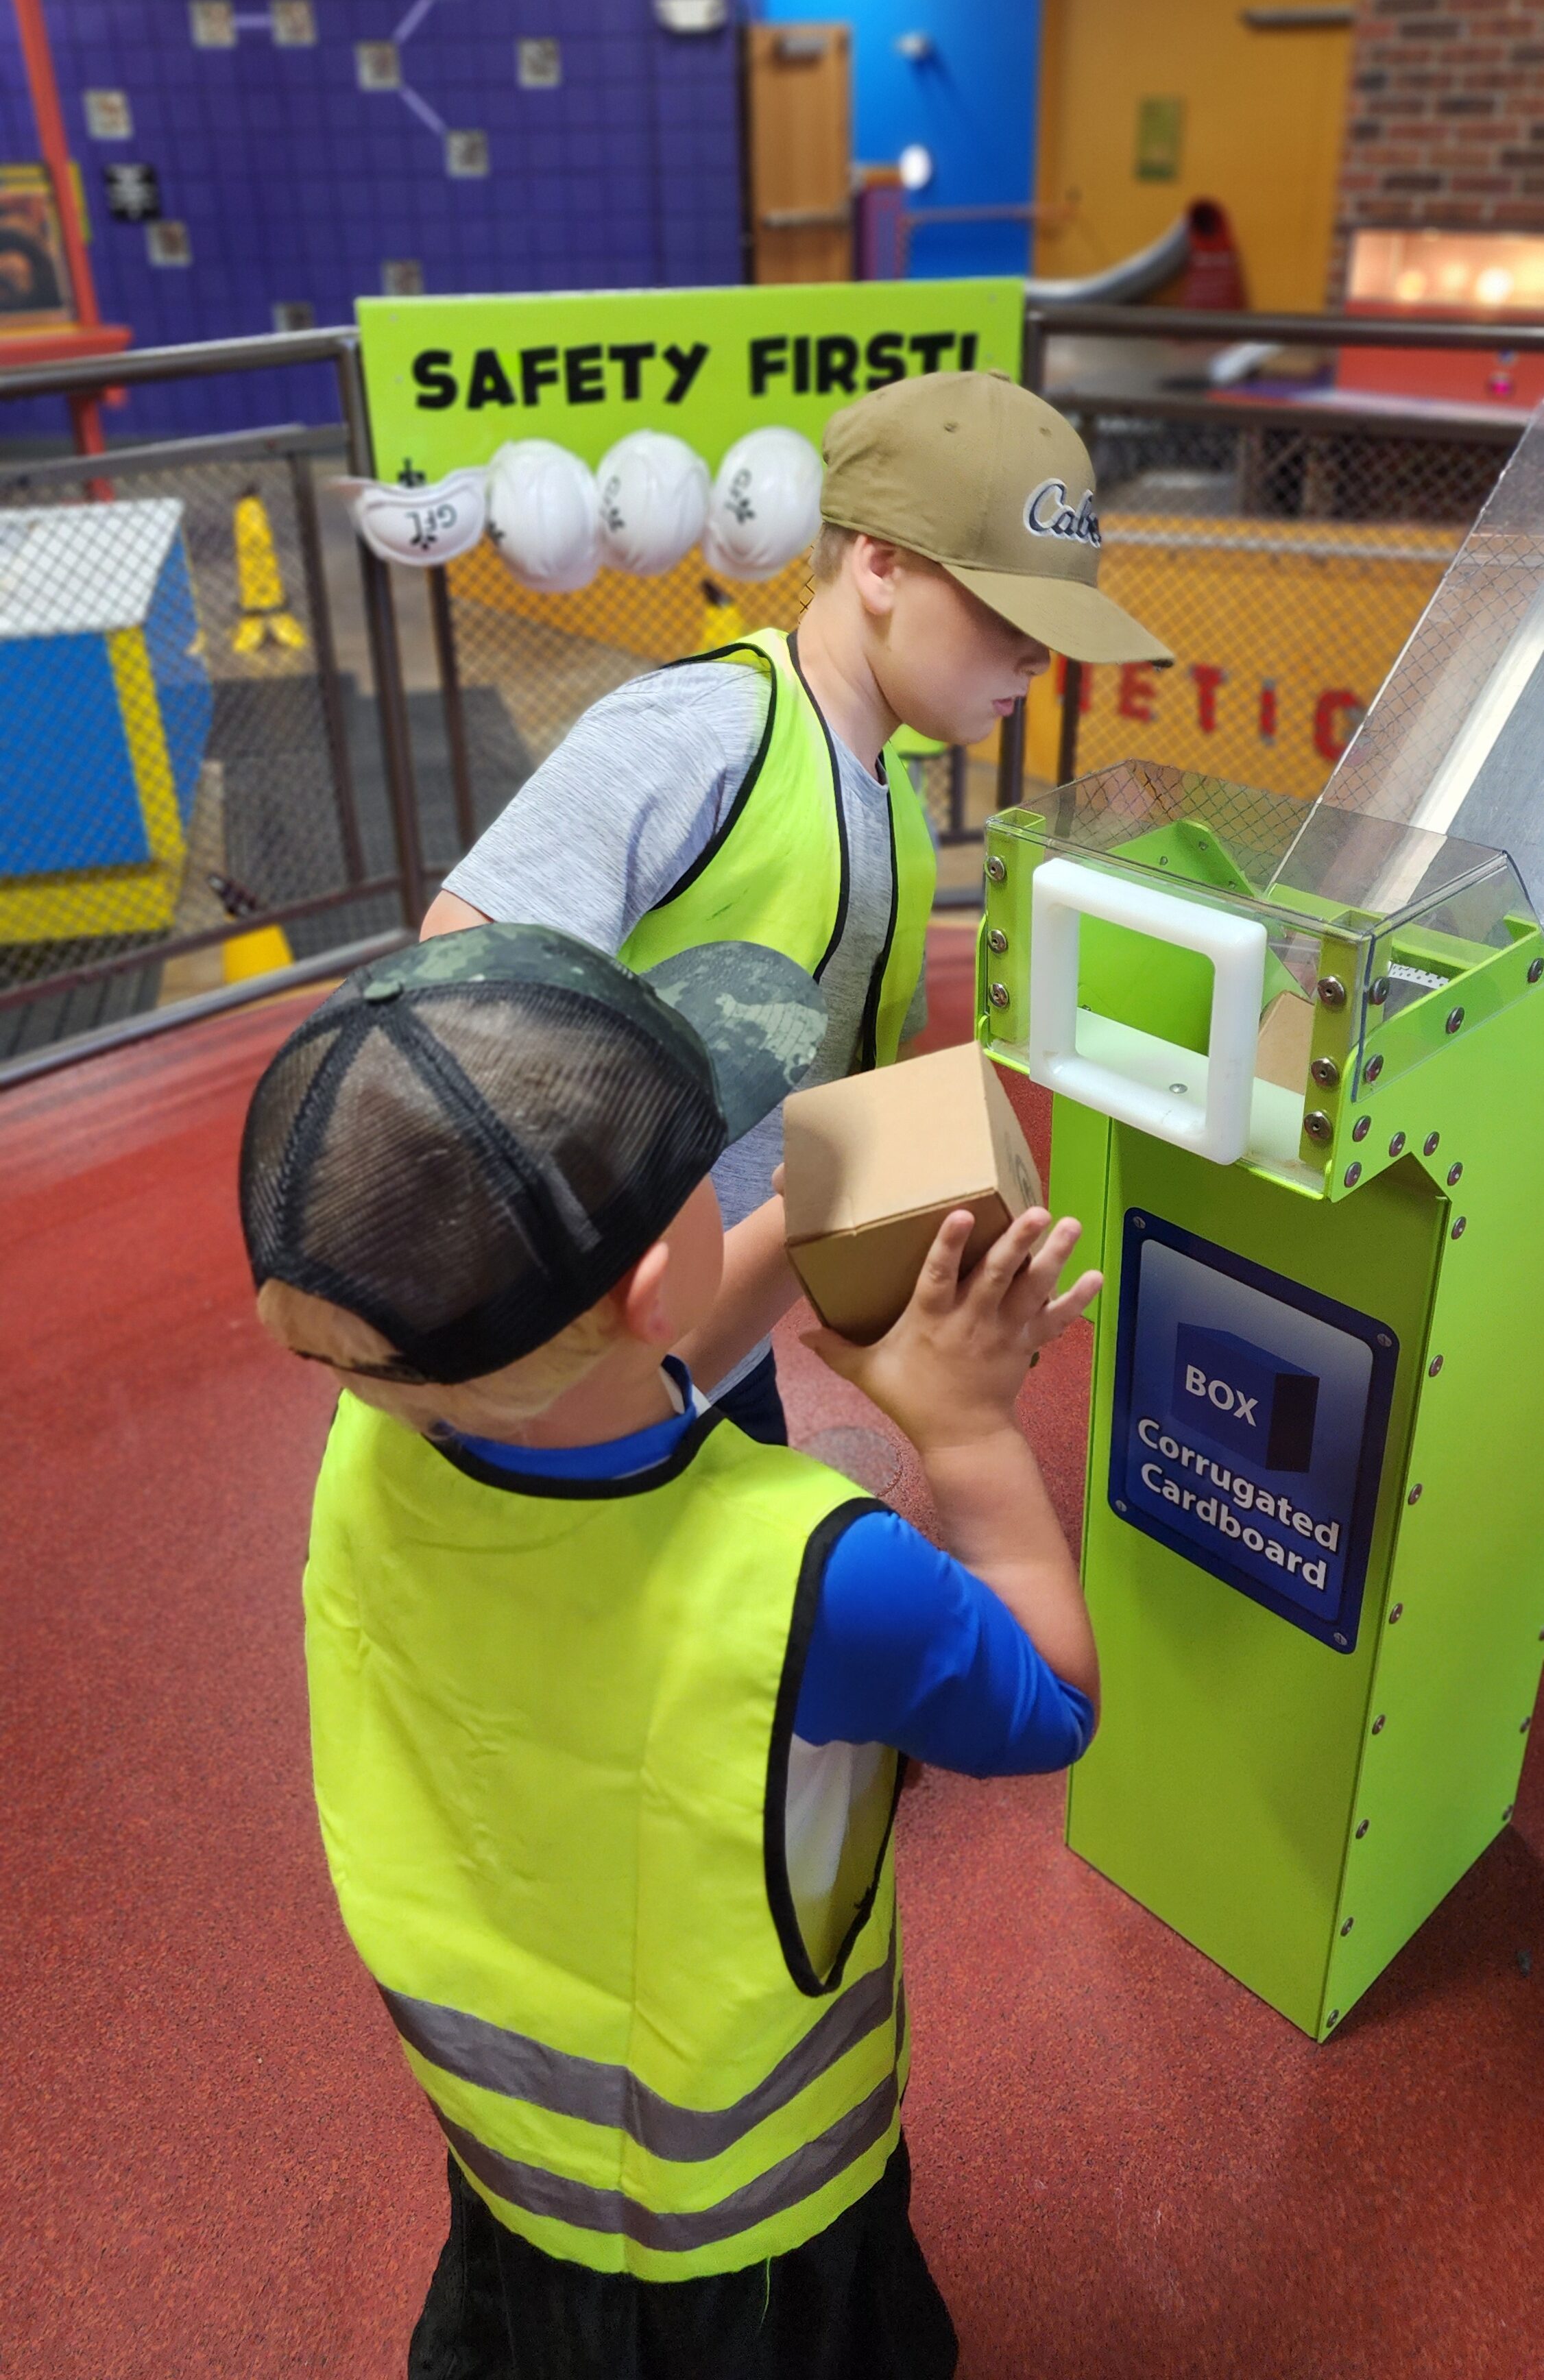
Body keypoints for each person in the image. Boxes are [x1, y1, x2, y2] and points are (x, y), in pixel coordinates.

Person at [241, 922, 1102, 2380]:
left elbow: (608, 1375)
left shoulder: (374, 1436)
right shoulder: (821, 1573)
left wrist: (800, 1227)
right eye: (719, 1174)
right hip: (748, 2216)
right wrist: (965, 1428)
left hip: (516, 2151)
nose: (745, 1178)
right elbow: (1049, 1699)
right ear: (651, 1280)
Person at [420, 368, 1169, 1442]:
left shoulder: (895, 810)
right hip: (580, 1372)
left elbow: (827, 1125)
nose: (1037, 657)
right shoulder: (705, 731)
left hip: (715, 1351)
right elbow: (451, 984)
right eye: (1007, 611)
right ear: (881, 563)